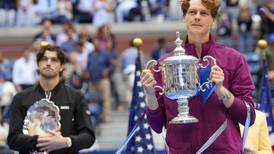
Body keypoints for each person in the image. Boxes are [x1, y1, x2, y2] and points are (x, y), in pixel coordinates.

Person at [140, 0, 256, 153]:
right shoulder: (165, 65)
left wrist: (222, 91)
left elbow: (249, 117)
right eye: (192, 12)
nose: (197, 17)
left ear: (213, 19)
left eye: (204, 13)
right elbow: (156, 125)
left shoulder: (233, 59)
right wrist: (150, 95)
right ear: (184, 17)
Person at [7, 45, 95, 153]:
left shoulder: (76, 97)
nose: (48, 63)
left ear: (62, 66)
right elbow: (12, 140)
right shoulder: (20, 98)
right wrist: (39, 140)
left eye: (54, 60)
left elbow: (89, 136)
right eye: (44, 59)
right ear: (38, 65)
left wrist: (66, 141)